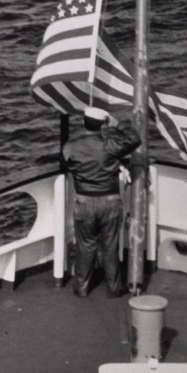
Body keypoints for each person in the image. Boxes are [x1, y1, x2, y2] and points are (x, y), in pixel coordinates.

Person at [60, 107, 140, 298]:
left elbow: (64, 163)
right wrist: (117, 124)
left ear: (84, 123)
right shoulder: (110, 144)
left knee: (85, 246)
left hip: (84, 202)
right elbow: (135, 139)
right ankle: (114, 289)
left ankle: (81, 288)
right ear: (102, 125)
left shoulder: (71, 146)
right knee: (110, 246)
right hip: (110, 202)